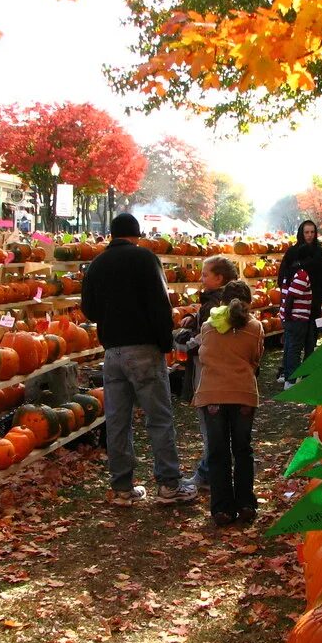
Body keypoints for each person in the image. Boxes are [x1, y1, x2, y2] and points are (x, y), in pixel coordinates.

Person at [81, 213, 197, 506]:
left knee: (118, 421)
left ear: (112, 235)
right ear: (136, 235)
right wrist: (164, 343)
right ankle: (169, 485)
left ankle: (122, 488)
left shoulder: (97, 264)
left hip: (112, 352)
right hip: (144, 349)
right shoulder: (145, 259)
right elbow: (160, 303)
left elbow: (89, 310)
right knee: (158, 418)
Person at [194, 280, 264, 526]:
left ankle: (221, 509)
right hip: (243, 393)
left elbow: (203, 355)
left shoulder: (207, 326)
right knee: (243, 450)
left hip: (212, 394)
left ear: (222, 302)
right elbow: (256, 358)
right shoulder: (255, 327)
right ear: (250, 303)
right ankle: (245, 503)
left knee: (218, 451)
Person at [176, 255, 239, 491]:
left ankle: (208, 473)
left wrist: (185, 344)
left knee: (210, 427)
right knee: (218, 426)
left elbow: (209, 337)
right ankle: (213, 470)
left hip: (208, 373)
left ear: (219, 278)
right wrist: (194, 316)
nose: (200, 278)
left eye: (205, 275)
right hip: (224, 374)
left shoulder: (215, 307)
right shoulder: (226, 300)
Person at [278, 245, 314, 387]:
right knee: (294, 349)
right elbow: (291, 298)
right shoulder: (301, 274)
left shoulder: (289, 274)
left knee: (288, 348)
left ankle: (287, 377)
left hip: (288, 318)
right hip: (296, 318)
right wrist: (288, 316)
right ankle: (291, 380)